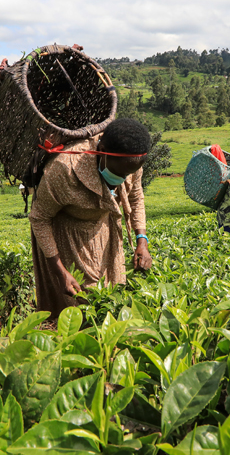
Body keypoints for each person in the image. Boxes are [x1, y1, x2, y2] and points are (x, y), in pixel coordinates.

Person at [28, 118, 153, 319]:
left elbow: (136, 196)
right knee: (77, 309)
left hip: (104, 230)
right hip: (65, 239)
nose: (120, 181)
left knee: (106, 301)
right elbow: (39, 218)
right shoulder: (64, 170)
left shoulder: (131, 161)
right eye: (117, 173)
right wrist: (60, 271)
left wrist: (142, 241)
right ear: (101, 150)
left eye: (127, 174)